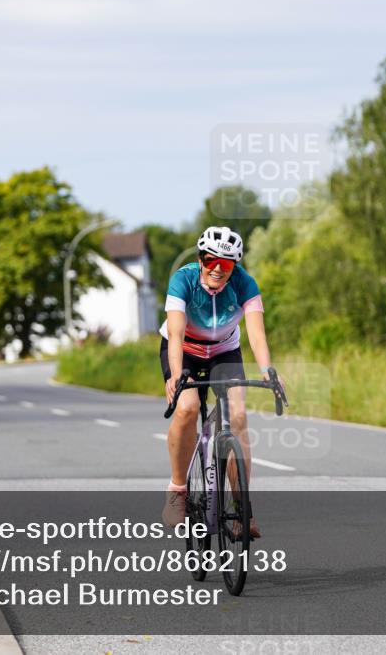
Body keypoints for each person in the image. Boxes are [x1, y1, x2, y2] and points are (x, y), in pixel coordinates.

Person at [160, 227, 278, 539]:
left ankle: (242, 510)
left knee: (237, 417)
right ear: (200, 259)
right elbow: (174, 333)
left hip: (224, 351)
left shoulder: (244, 284)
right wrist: (175, 374)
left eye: (225, 265)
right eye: (211, 260)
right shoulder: (183, 280)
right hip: (185, 350)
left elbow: (256, 333)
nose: (217, 268)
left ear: (234, 268)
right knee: (187, 407)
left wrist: (268, 370)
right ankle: (177, 490)